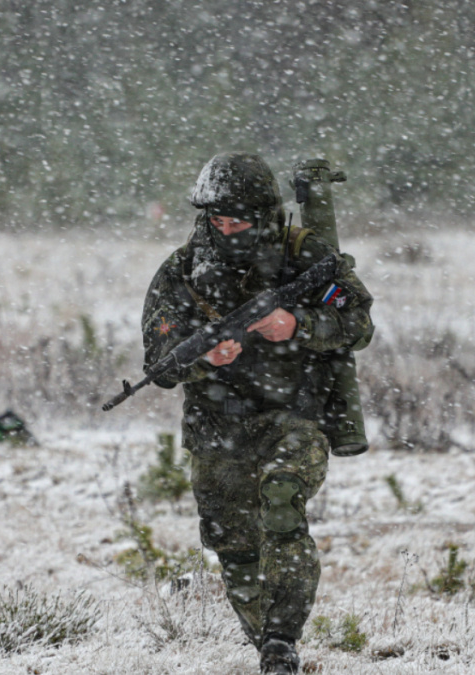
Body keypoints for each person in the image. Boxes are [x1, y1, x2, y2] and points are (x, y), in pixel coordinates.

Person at [140, 152, 374, 674]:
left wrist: (298, 324)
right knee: (232, 542)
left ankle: (282, 638)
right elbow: (158, 360)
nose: (225, 230)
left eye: (237, 220)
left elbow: (358, 322)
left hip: (294, 414)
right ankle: (267, 646)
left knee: (282, 500)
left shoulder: (304, 257)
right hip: (216, 425)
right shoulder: (182, 270)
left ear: (263, 213)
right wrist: (201, 359)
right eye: (216, 221)